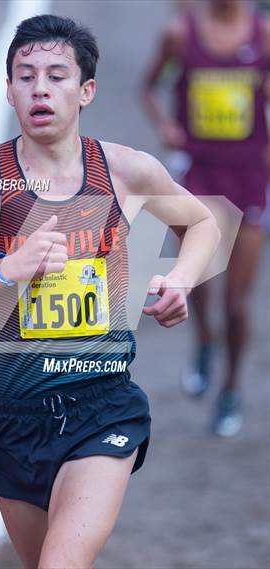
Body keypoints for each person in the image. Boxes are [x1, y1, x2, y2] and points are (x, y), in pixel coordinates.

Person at [0, 15, 220, 569]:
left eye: (56, 76)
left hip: (102, 409)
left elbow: (203, 223)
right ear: (9, 90)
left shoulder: (125, 171)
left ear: (86, 91)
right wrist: (4, 270)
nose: (40, 89)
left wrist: (180, 280)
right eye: (25, 76)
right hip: (12, 417)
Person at [142, 0, 269, 437]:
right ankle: (204, 343)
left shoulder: (263, 35)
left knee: (238, 303)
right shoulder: (180, 34)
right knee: (195, 278)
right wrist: (165, 125)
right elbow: (147, 87)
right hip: (198, 171)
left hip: (251, 176)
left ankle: (231, 389)